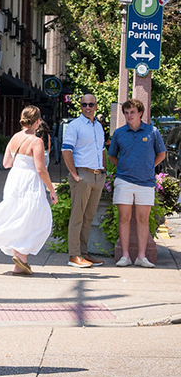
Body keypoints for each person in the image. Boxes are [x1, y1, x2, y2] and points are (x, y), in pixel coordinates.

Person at [0, 106, 58, 275]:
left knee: (17, 216)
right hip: (30, 181)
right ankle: (21, 254)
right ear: (37, 121)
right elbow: (41, 169)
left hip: (15, 179)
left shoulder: (15, 137)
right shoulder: (36, 141)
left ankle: (20, 260)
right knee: (39, 219)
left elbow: (7, 163)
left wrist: (21, 162)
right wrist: (51, 189)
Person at [108, 99, 166, 268]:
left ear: (140, 113)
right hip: (123, 181)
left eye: (132, 112)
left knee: (142, 219)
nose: (129, 116)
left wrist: (148, 167)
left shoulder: (152, 132)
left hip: (146, 182)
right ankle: (125, 256)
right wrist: (124, 167)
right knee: (124, 218)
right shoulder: (119, 133)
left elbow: (161, 154)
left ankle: (142, 256)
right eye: (126, 113)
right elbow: (112, 156)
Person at [62, 94, 106, 268]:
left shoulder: (98, 126)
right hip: (83, 175)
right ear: (80, 106)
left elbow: (101, 148)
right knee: (77, 217)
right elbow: (66, 150)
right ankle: (74, 255)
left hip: (97, 176)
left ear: (96, 106)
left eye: (90, 104)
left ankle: (84, 253)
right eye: (83, 104)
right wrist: (74, 174)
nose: (87, 107)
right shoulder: (75, 126)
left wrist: (103, 170)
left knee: (88, 217)